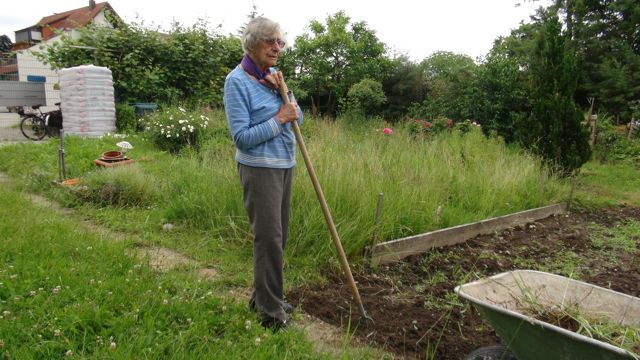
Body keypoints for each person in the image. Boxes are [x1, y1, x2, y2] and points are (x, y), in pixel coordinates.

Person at [223, 17, 302, 331]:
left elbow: (297, 117)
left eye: (280, 42)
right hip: (259, 170)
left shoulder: (273, 78)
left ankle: (263, 296)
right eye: (271, 41)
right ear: (252, 43)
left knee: (278, 237)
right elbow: (241, 137)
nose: (277, 47)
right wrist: (280, 118)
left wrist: (286, 98)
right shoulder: (237, 81)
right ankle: (270, 313)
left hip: (285, 165)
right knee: (268, 238)